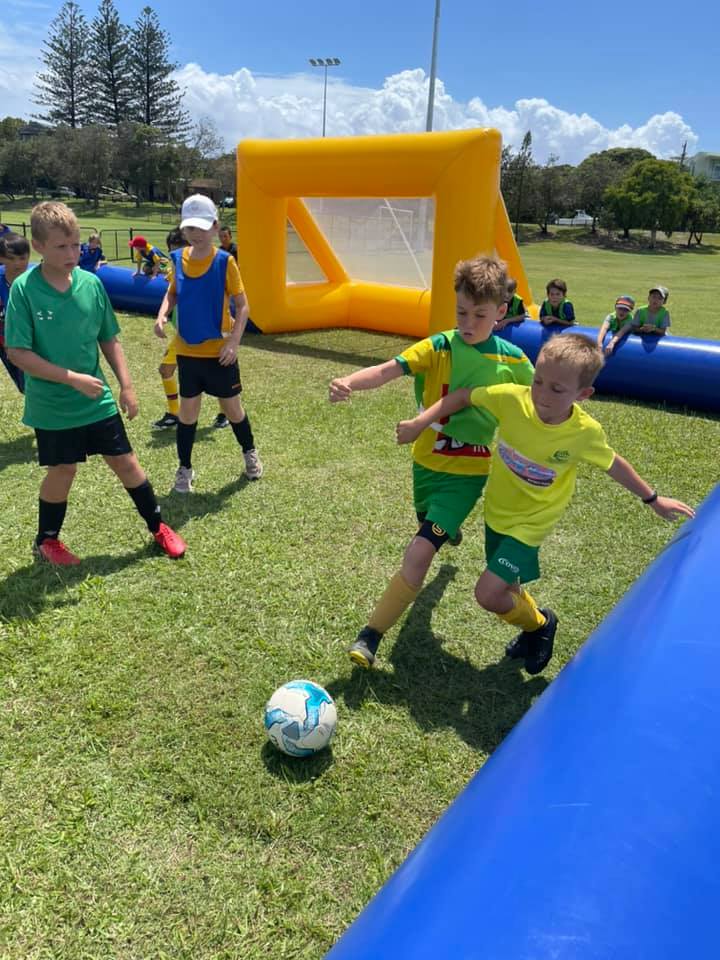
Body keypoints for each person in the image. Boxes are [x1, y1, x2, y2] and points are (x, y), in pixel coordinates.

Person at [396, 333, 694, 673]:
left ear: (583, 395)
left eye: (557, 389)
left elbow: (614, 463)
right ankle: (531, 627)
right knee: (509, 588)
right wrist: (422, 423)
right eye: (538, 381)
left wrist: (653, 499)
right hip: (497, 515)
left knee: (488, 594)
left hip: (531, 525)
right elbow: (464, 395)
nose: (541, 393)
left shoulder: (584, 432)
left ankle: (541, 625)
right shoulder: (512, 399)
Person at [329, 255, 535, 669]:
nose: (468, 322)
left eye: (479, 314)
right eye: (461, 311)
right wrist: (349, 381)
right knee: (426, 520)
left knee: (419, 552)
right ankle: (443, 529)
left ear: (501, 312)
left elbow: (538, 408)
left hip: (467, 475)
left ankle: (370, 636)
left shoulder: (515, 363)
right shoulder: (440, 346)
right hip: (424, 466)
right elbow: (390, 370)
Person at [4, 201, 186, 565]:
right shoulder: (24, 290)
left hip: (96, 398)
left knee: (126, 462)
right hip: (53, 404)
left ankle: (158, 526)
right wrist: (71, 379)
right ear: (38, 246)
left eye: (75, 245)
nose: (72, 254)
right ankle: (48, 541)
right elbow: (17, 354)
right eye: (61, 247)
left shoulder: (92, 284)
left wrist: (127, 386)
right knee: (63, 469)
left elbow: (109, 339)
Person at [154, 194, 263, 492]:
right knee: (188, 415)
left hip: (219, 354)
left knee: (233, 411)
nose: (195, 234)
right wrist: (163, 315)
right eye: (190, 228)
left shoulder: (225, 262)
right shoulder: (176, 260)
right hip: (188, 352)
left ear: (215, 227)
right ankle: (184, 470)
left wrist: (234, 344)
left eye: (202, 228)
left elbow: (243, 306)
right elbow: (173, 293)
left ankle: (250, 454)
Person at [153, 227, 229, 431]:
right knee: (166, 370)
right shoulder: (175, 270)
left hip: (208, 334)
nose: (175, 257)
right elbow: (172, 294)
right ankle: (174, 413)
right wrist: (162, 316)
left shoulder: (209, 268)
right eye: (172, 252)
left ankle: (225, 413)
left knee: (217, 375)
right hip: (183, 335)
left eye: (178, 250)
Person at [0, 232, 30, 393]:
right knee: (23, 385)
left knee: (30, 385)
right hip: (4, 342)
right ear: (1, 258)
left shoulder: (35, 282)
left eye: (23, 258)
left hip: (29, 343)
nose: (18, 263)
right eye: (11, 259)